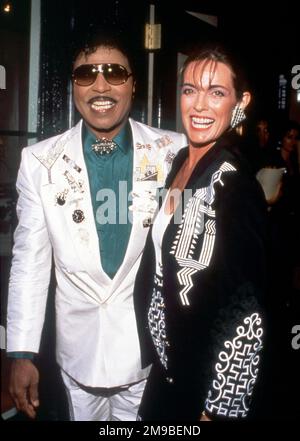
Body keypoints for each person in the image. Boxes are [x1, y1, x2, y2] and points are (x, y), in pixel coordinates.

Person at [6, 27, 187, 421]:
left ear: (133, 84)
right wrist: (21, 352)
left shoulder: (175, 152)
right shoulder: (39, 162)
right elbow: (29, 265)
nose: (100, 85)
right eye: (86, 74)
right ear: (73, 86)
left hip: (149, 350)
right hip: (76, 353)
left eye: (114, 73)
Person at [134, 45, 267, 420]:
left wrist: (217, 408)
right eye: (190, 90)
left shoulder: (235, 185)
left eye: (216, 92)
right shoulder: (181, 161)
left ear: (240, 101)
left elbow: (248, 312)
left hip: (202, 387)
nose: (199, 105)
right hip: (167, 372)